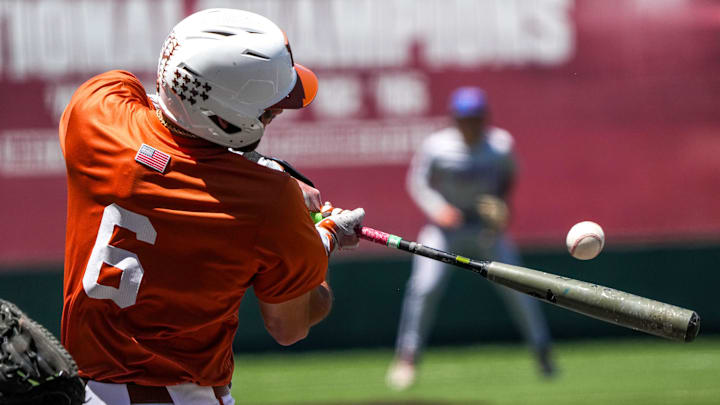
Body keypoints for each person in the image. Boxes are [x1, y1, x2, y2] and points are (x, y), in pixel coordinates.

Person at [58, 9, 364, 405]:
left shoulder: (94, 111)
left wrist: (257, 173)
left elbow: (166, 144)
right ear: (226, 118)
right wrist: (324, 238)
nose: (273, 116)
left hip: (79, 392)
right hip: (178, 395)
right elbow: (291, 325)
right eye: (268, 111)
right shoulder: (269, 202)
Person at [386, 87, 554, 390]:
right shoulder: (437, 146)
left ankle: (542, 351)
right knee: (424, 288)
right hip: (444, 231)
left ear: (484, 117)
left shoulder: (500, 146)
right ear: (454, 119)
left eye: (475, 117)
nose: (471, 123)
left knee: (521, 289)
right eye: (465, 118)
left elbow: (509, 178)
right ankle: (407, 358)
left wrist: (502, 206)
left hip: (486, 231)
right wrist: (439, 209)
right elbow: (418, 182)